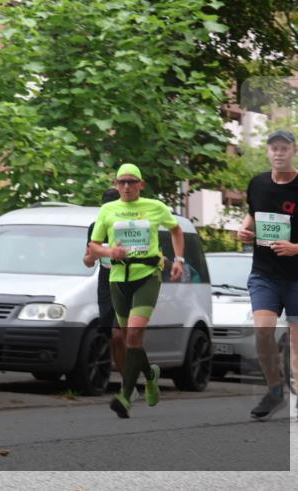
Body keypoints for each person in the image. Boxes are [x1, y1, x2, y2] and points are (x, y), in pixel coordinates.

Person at [88, 163, 187, 418]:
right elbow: (94, 246)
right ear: (116, 185)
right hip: (118, 279)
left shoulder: (155, 207)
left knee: (132, 336)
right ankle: (151, 375)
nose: (127, 186)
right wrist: (111, 252)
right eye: (122, 182)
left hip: (147, 276)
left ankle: (125, 397)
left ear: (141, 185)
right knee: (128, 339)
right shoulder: (108, 210)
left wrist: (178, 260)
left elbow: (176, 229)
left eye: (132, 182)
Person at [236, 129, 298, 422]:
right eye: (274, 148)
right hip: (264, 273)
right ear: (268, 152)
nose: (278, 153)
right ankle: (275, 391)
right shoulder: (258, 183)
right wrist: (244, 230)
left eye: (284, 148)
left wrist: (296, 248)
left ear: (294, 151)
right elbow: (253, 216)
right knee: (263, 333)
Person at [83, 188, 127, 381]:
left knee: (119, 333)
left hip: (128, 280)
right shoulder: (95, 227)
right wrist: (91, 258)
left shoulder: (129, 226)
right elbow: (87, 260)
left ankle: (127, 376)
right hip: (106, 282)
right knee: (110, 331)